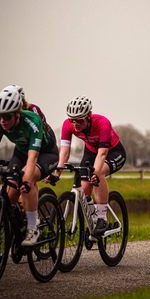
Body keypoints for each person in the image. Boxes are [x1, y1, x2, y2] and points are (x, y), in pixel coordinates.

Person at [0, 86, 59, 246]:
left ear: (17, 113)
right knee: (10, 191)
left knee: (25, 180)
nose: (2, 121)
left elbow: (33, 156)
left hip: (45, 153)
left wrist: (27, 180)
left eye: (6, 117)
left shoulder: (32, 119)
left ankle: (33, 228)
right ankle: (16, 226)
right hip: (20, 153)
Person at [53, 95, 126, 236]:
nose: (75, 123)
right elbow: (64, 152)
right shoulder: (67, 125)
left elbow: (103, 154)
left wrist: (95, 173)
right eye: (72, 120)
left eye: (79, 120)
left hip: (112, 152)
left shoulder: (103, 123)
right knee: (84, 191)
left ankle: (102, 218)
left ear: (89, 116)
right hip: (91, 151)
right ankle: (92, 221)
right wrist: (57, 173)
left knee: (98, 174)